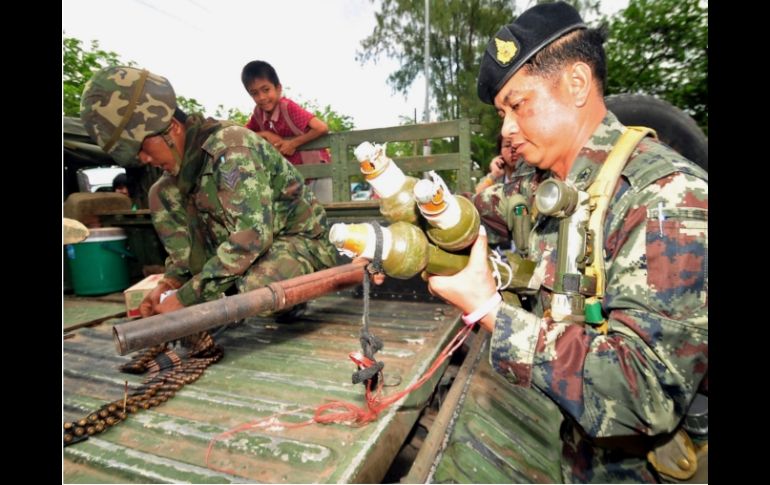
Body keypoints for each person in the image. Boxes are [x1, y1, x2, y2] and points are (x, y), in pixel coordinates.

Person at [427, 3, 707, 482]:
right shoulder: (546, 183)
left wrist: (489, 310)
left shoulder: (668, 198)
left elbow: (645, 395)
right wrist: (411, 211)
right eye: (502, 113)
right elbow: (472, 212)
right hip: (574, 453)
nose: (507, 129)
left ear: (577, 84)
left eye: (518, 105)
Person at [80, 66, 338, 318]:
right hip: (249, 254)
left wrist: (186, 298)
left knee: (254, 290)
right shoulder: (169, 185)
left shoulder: (231, 149)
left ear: (172, 128)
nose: (145, 159)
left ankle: (290, 298)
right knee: (161, 192)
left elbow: (253, 237)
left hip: (300, 243)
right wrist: (169, 286)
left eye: (144, 149)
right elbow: (184, 256)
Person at [241, 60, 333, 204]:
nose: (262, 97)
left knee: (327, 215)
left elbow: (321, 127)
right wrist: (265, 134)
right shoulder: (259, 114)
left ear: (278, 89)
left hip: (318, 172)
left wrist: (293, 143)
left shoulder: (288, 107)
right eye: (254, 93)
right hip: (296, 179)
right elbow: (242, 135)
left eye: (266, 90)